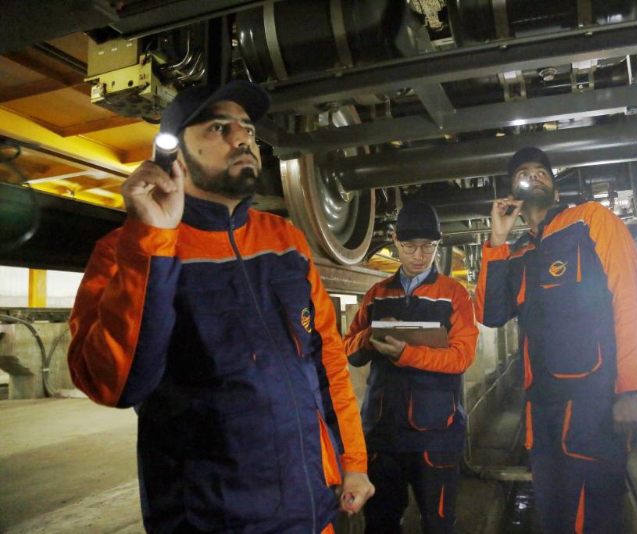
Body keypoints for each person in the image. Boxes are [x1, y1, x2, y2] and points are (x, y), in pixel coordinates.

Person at [67, 80, 374, 534]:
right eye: (218, 128)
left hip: (310, 508)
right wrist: (151, 241)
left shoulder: (284, 241)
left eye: (247, 129)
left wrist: (352, 461)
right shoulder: (127, 248)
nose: (242, 139)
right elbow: (115, 385)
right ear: (174, 156)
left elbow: (326, 358)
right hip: (210, 519)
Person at [474, 147, 637, 533]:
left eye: (542, 171)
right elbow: (490, 313)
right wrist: (497, 239)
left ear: (556, 191)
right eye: (523, 172)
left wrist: (634, 388)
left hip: (593, 407)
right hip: (541, 413)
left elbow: (627, 297)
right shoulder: (518, 253)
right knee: (554, 517)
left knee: (593, 518)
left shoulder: (590, 221)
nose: (534, 175)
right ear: (513, 195)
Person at [343, 200, 479, 534]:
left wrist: (407, 353)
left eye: (428, 246)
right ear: (394, 240)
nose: (419, 255)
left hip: (436, 434)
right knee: (380, 525)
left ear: (438, 243)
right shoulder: (376, 294)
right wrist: (368, 338)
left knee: (438, 524)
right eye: (409, 246)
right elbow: (348, 350)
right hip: (382, 432)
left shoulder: (454, 295)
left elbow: (461, 357)